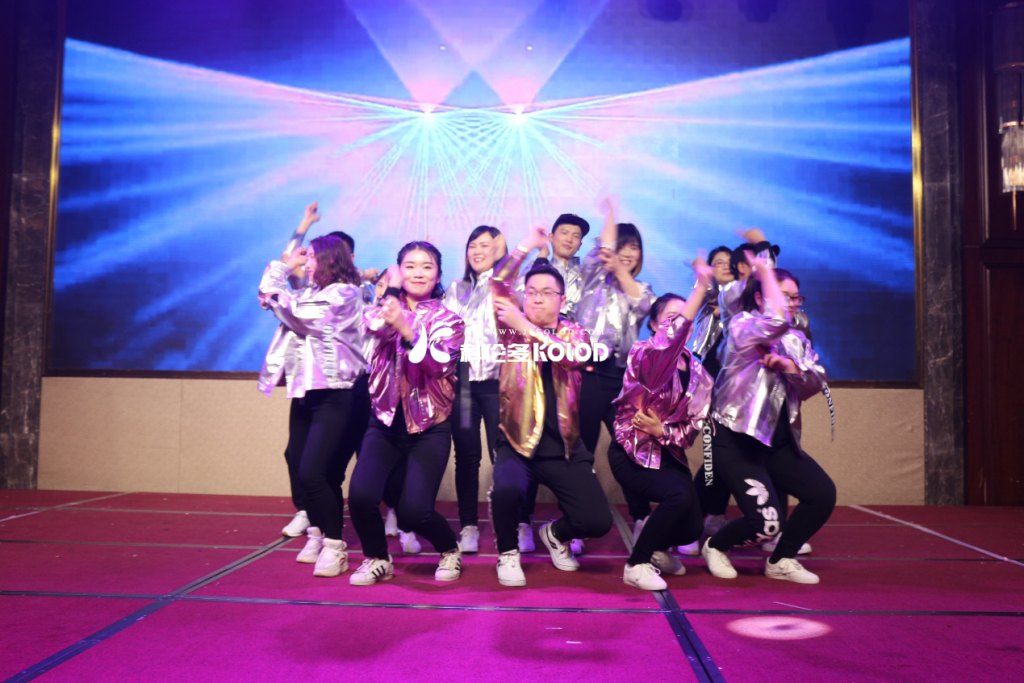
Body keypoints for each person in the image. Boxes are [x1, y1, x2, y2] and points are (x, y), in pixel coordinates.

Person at [488, 227, 614, 587]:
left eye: (546, 293)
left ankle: (556, 534)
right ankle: (507, 553)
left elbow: (572, 358)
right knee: (506, 488)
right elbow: (497, 283)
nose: (537, 299)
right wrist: (526, 245)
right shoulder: (510, 330)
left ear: (562, 299)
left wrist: (526, 326)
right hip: (517, 442)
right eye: (530, 292)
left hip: (565, 448)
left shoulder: (575, 333)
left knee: (597, 522)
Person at [701, 254, 836, 585]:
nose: (790, 304)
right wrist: (763, 271)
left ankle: (781, 560)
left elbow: (816, 380)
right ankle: (715, 545)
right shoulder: (742, 326)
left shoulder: (796, 339)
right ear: (761, 298)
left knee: (822, 494)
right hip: (737, 442)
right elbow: (774, 321)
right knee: (766, 524)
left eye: (795, 298)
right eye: (783, 295)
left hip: (777, 443)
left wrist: (790, 367)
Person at [346, 241, 466, 586]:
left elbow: (438, 365)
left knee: (415, 513)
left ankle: (449, 548)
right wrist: (392, 296)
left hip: (430, 425)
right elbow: (373, 327)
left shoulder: (450, 320)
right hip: (384, 422)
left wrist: (406, 327)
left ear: (438, 276)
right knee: (361, 496)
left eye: (427, 267)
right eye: (409, 266)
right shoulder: (383, 308)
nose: (418, 273)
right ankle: (377, 558)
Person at [258, 235, 369, 578]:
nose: (306, 264)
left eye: (312, 258)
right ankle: (318, 534)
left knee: (315, 472)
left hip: (337, 394)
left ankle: (335, 546)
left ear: (330, 260)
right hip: (306, 392)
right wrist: (279, 285)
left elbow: (297, 314)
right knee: (299, 464)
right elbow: (274, 299)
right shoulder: (310, 293)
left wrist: (280, 273)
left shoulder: (345, 294)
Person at [609, 257, 716, 590]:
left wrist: (662, 430)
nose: (681, 324)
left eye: (685, 318)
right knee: (678, 496)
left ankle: (655, 550)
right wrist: (700, 288)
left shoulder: (700, 376)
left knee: (692, 527)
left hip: (668, 454)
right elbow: (669, 343)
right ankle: (635, 565)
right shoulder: (645, 354)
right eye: (671, 318)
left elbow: (691, 430)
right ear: (655, 325)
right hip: (632, 453)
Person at [576, 200, 657, 542]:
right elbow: (601, 249)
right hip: (585, 374)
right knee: (581, 450)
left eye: (633, 247)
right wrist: (610, 213)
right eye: (621, 246)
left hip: (622, 380)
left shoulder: (643, 289)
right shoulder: (591, 277)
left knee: (630, 448)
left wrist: (621, 269)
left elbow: (643, 304)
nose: (627, 252)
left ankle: (642, 519)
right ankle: (576, 523)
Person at [443, 226, 507, 553]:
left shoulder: (507, 286)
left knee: (504, 455)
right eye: (473, 245)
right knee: (467, 456)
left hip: (498, 381)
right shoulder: (456, 289)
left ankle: (513, 522)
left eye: (486, 245)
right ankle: (468, 525)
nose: (478, 251)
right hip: (464, 381)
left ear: (499, 249)